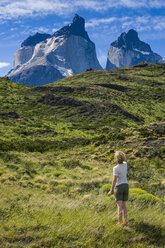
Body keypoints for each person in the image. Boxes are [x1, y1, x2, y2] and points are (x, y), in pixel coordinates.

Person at [108, 151, 129, 225]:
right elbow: (124, 162)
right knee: (124, 205)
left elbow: (114, 180)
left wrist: (111, 191)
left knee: (119, 206)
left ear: (116, 159)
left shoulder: (115, 168)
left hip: (119, 187)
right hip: (126, 185)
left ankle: (119, 222)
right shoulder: (125, 165)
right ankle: (125, 221)